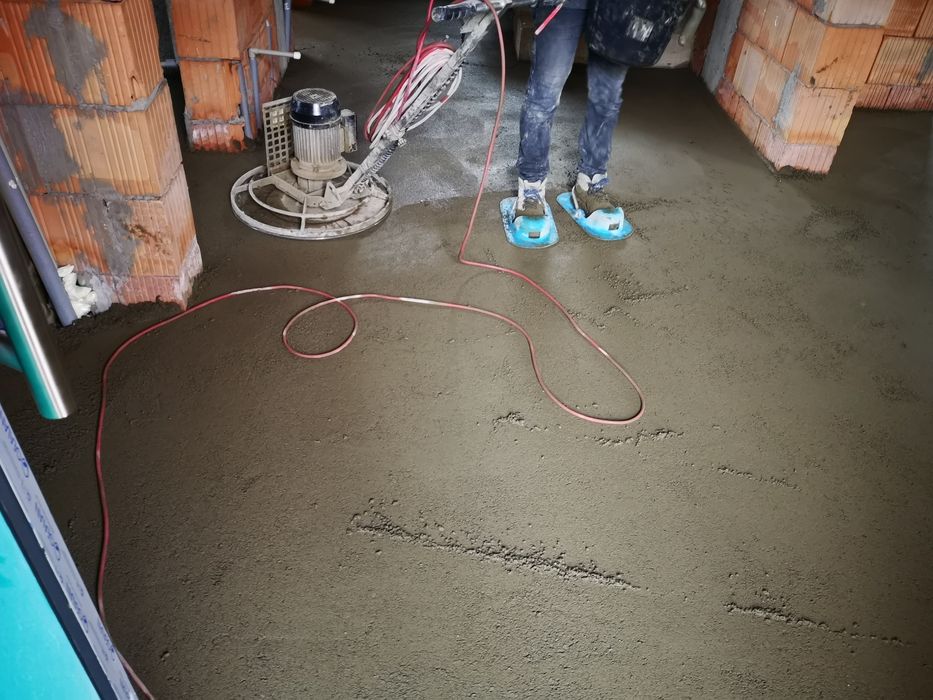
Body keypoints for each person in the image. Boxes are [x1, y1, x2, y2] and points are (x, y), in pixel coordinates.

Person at [514, 0, 628, 237]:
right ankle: (532, 186)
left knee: (607, 98)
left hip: (616, 8)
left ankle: (590, 183)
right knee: (544, 96)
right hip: (563, 4)